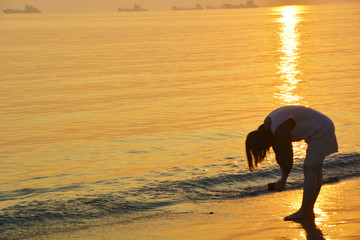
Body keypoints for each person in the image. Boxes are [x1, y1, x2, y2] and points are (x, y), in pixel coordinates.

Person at [245, 105, 338, 221]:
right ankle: (308, 211)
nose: (265, 150)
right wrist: (282, 178)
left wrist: (283, 180)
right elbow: (281, 156)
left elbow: (288, 157)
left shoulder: (279, 131)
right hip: (321, 125)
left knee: (310, 169)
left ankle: (305, 211)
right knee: (315, 169)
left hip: (321, 129)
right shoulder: (268, 126)